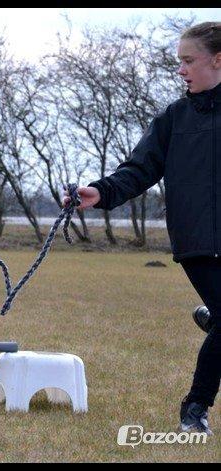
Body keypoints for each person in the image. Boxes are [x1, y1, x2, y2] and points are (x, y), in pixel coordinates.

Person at [64, 21, 220, 435]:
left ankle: (213, 319)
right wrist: (100, 192)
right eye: (179, 63)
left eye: (188, 61)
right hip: (199, 242)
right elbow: (138, 169)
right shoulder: (173, 118)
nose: (181, 70)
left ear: (218, 60)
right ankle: (195, 408)